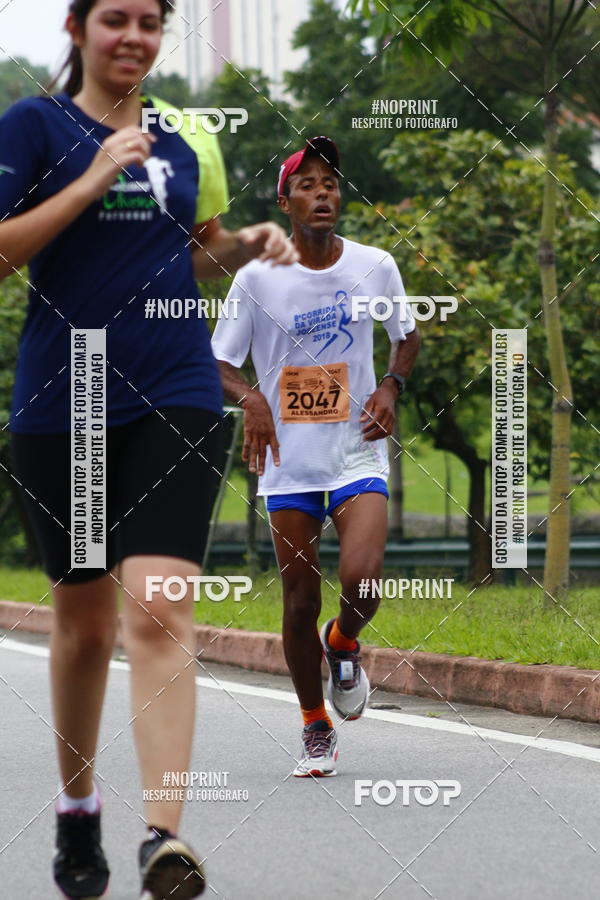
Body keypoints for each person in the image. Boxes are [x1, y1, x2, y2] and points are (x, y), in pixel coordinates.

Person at [0, 1, 296, 898]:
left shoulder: (184, 137)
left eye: (150, 22)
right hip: (72, 396)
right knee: (86, 625)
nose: (134, 37)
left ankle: (163, 838)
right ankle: (77, 806)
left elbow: (191, 252)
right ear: (77, 28)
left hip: (176, 389)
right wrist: (90, 180)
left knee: (161, 609)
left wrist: (243, 247)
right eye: (115, 19)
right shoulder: (33, 125)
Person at [212, 137, 420, 777]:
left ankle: (344, 641)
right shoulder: (256, 278)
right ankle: (313, 726)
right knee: (299, 601)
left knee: (363, 579)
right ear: (286, 202)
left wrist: (391, 386)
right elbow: (217, 362)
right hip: (289, 461)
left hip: (357, 452)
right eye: (307, 184)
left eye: (330, 182)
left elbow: (406, 337)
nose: (322, 192)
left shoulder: (375, 266)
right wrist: (252, 399)